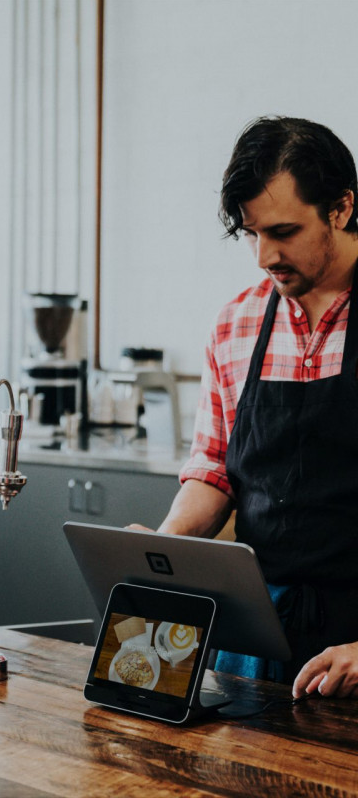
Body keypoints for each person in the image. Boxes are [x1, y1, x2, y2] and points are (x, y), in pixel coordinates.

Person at [147, 117, 358, 699]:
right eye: (250, 234)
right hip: (255, 633)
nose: (265, 256)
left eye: (284, 231)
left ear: (341, 208)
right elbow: (214, 468)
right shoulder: (236, 322)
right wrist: (159, 554)